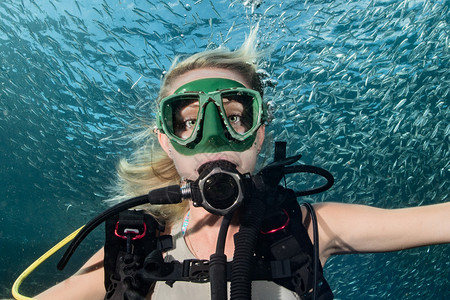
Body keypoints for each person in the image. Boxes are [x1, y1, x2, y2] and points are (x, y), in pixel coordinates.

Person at [34, 27, 450, 300]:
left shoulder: (312, 228)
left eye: (234, 117)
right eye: (189, 122)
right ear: (166, 141)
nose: (213, 138)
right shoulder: (133, 247)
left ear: (260, 131)